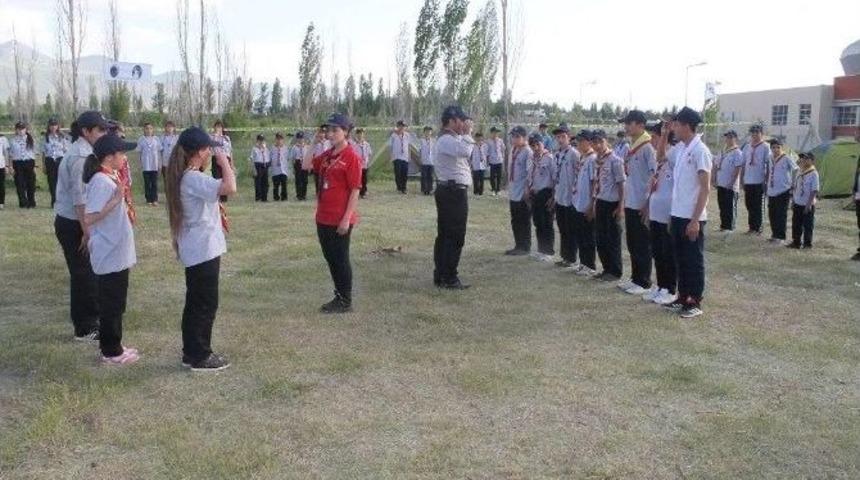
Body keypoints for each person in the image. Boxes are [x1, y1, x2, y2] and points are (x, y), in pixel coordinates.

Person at [164, 126, 237, 371]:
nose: (210, 153)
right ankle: (200, 355)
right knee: (204, 303)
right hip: (202, 249)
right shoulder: (193, 178)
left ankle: (191, 352)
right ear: (201, 152)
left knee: (196, 302)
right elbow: (230, 187)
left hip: (198, 247)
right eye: (208, 148)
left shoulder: (187, 175)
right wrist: (224, 160)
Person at [82, 133, 139, 365]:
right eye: (122, 153)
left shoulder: (110, 177)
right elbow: (90, 217)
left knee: (117, 302)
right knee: (111, 303)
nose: (125, 157)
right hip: (109, 251)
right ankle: (110, 351)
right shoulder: (100, 181)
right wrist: (115, 201)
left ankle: (115, 343)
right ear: (109, 156)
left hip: (117, 251)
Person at [54, 111, 109, 341]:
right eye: (100, 130)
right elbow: (80, 201)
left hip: (80, 221)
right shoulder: (79, 158)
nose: (104, 134)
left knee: (89, 272)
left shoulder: (88, 152)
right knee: (82, 274)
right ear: (86, 131)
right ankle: (85, 327)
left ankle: (93, 318)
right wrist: (87, 232)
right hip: (74, 223)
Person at [310, 113, 363, 312]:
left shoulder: (351, 157)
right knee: (331, 258)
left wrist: (346, 219)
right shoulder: (327, 155)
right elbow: (307, 165)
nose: (330, 134)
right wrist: (314, 143)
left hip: (340, 218)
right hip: (323, 216)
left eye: (335, 130)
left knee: (340, 259)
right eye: (328, 130)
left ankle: (345, 300)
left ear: (346, 132)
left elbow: (355, 189)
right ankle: (339, 295)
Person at [666, 107, 712, 319]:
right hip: (678, 212)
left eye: (676, 124)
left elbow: (705, 187)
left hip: (692, 216)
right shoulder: (683, 148)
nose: (673, 128)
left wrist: (695, 220)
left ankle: (694, 300)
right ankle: (682, 296)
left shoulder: (700, 150)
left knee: (693, 259)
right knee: (680, 258)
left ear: (686, 126)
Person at [433, 106, 475, 289]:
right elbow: (465, 151)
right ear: (452, 120)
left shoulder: (451, 139)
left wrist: (464, 135)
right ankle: (449, 277)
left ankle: (442, 274)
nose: (464, 124)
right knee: (454, 235)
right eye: (461, 120)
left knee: (446, 235)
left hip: (450, 190)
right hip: (452, 192)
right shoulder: (446, 140)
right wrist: (468, 133)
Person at [617, 110, 657, 295]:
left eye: (629, 123)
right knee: (632, 242)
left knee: (642, 243)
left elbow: (653, 176)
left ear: (640, 125)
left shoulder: (648, 147)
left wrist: (648, 202)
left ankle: (644, 281)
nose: (626, 126)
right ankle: (635, 277)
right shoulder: (631, 147)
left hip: (642, 203)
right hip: (631, 201)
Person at [642, 121, 679, 306]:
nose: (652, 142)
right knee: (657, 251)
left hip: (668, 213)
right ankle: (661, 285)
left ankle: (670, 289)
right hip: (656, 212)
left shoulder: (673, 156)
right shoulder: (659, 161)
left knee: (668, 253)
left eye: (655, 138)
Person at [591, 129, 626, 282]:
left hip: (612, 203)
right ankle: (606, 268)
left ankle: (615, 271)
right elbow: (595, 182)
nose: (598, 145)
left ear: (607, 141)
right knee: (601, 237)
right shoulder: (596, 160)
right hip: (600, 201)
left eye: (601, 142)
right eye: (595, 142)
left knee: (613, 238)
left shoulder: (615, 160)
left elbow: (621, 184)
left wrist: (620, 206)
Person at [572, 129, 598, 277]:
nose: (579, 143)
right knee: (581, 235)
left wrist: (591, 205)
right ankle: (583, 262)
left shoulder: (593, 159)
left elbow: (594, 182)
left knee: (588, 236)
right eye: (578, 140)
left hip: (587, 203)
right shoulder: (583, 158)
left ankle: (590, 265)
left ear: (589, 142)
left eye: (582, 141)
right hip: (578, 202)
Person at [552, 124, 579, 268]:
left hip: (570, 198)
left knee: (570, 229)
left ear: (569, 137)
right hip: (559, 196)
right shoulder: (557, 154)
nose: (560, 140)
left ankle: (572, 258)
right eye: (558, 137)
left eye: (563, 137)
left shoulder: (574, 154)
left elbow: (577, 174)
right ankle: (565, 256)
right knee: (562, 228)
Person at [527, 133, 557, 261]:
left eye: (537, 144)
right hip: (535, 193)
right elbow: (530, 176)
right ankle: (541, 249)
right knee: (538, 222)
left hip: (546, 193)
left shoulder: (549, 158)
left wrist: (553, 197)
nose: (535, 147)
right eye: (532, 145)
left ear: (542, 143)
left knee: (547, 223)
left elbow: (555, 178)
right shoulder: (533, 158)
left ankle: (549, 251)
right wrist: (529, 190)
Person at [505, 126, 533, 255]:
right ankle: (518, 244)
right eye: (513, 136)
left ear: (524, 137)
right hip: (513, 190)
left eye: (517, 137)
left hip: (522, 191)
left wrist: (527, 189)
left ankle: (525, 246)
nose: (514, 139)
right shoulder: (513, 150)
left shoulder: (528, 151)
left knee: (524, 219)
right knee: (515, 219)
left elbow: (529, 172)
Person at [765, 138, 797, 245]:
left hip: (783, 190)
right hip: (772, 190)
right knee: (772, 213)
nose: (776, 149)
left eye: (778, 147)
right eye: (773, 147)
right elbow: (769, 171)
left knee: (781, 214)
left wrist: (793, 184)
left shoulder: (786, 158)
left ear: (781, 148)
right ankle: (774, 235)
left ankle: (781, 236)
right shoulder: (770, 158)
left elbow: (795, 169)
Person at [742, 124, 770, 235]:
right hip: (748, 180)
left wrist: (766, 180)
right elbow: (744, 163)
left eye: (757, 132)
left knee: (757, 205)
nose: (754, 134)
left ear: (761, 134)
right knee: (749, 204)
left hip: (759, 180)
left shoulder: (765, 146)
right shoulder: (747, 147)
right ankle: (751, 227)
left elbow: (768, 164)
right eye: (752, 132)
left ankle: (758, 227)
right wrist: (742, 179)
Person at [713, 130, 743, 231]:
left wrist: (732, 182)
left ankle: (730, 227)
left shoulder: (737, 152)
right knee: (722, 206)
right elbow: (716, 165)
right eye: (727, 137)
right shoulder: (722, 151)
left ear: (735, 138)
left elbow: (738, 168)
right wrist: (714, 178)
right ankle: (723, 225)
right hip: (721, 183)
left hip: (731, 185)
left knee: (730, 207)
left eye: (731, 137)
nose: (728, 139)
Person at [788, 152, 819, 249]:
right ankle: (796, 242)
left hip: (807, 203)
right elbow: (795, 187)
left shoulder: (813, 173)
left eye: (807, 158)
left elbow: (814, 190)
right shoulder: (799, 171)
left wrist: (808, 205)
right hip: (798, 201)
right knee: (796, 223)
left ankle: (807, 244)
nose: (804, 160)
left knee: (808, 225)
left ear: (812, 161)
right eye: (803, 158)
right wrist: (793, 201)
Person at [9, 121, 38, 209]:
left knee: (31, 184)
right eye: (19, 129)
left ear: (26, 129)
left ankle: (31, 201)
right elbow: (10, 155)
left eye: (23, 129)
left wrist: (35, 167)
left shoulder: (31, 139)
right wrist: (10, 166)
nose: (21, 131)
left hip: (29, 162)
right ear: (16, 130)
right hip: (18, 163)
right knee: (19, 183)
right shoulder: (12, 140)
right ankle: (23, 202)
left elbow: (35, 153)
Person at [43, 118, 68, 208]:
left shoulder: (62, 137)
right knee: (51, 182)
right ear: (49, 126)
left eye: (55, 125)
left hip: (60, 160)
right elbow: (44, 152)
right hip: (50, 160)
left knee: (61, 181)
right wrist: (44, 165)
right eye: (51, 125)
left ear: (58, 126)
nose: (53, 127)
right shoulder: (46, 137)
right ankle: (54, 201)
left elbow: (66, 151)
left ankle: (61, 201)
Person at [136, 122, 161, 206]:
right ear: (144, 129)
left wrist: (159, 164)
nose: (148, 130)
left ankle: (155, 199)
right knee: (147, 183)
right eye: (147, 128)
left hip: (154, 165)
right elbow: (139, 153)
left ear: (153, 129)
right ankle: (148, 199)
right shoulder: (141, 139)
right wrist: (139, 164)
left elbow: (159, 152)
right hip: (146, 165)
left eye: (150, 128)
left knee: (154, 183)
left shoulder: (156, 139)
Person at [210, 120, 234, 203]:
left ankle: (224, 197)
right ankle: (218, 196)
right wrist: (216, 135)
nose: (218, 128)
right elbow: (211, 147)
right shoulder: (212, 137)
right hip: (216, 158)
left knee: (225, 177)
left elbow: (230, 151)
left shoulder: (226, 138)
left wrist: (232, 164)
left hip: (226, 158)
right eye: (217, 126)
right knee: (217, 177)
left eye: (220, 127)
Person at [390, 120, 412, 194]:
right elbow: (390, 146)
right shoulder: (393, 135)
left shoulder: (407, 135)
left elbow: (408, 146)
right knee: (398, 173)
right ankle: (399, 187)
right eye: (400, 126)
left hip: (405, 156)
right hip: (397, 156)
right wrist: (391, 156)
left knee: (404, 173)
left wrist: (409, 155)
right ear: (398, 126)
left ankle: (404, 187)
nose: (402, 128)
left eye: (403, 126)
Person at [309, 126, 331, 197]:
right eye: (320, 133)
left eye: (323, 133)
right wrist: (311, 164)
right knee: (318, 179)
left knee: (326, 179)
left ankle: (326, 193)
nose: (322, 135)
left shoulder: (328, 142)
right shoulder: (315, 143)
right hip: (317, 163)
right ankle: (318, 193)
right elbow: (312, 154)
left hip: (326, 163)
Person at [270, 133, 290, 201]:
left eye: (280, 139)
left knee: (284, 184)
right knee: (276, 185)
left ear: (283, 140)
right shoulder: (272, 148)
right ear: (275, 139)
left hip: (283, 169)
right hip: (275, 170)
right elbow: (270, 158)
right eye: (277, 139)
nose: (279, 141)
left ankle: (284, 197)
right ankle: (276, 197)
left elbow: (288, 158)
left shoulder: (285, 148)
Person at [250, 134, 270, 202]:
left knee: (265, 183)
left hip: (265, 165)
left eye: (263, 140)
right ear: (257, 141)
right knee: (258, 182)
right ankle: (258, 197)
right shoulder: (254, 149)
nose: (261, 142)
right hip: (258, 165)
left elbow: (268, 157)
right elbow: (251, 159)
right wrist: (253, 169)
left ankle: (264, 197)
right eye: (260, 140)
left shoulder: (266, 149)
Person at [291, 132, 310, 201]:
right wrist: (293, 167)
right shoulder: (294, 147)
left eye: (301, 138)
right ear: (297, 139)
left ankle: (304, 195)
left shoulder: (307, 147)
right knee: (298, 180)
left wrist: (309, 165)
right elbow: (293, 158)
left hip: (305, 162)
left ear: (304, 139)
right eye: (299, 138)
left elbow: (309, 156)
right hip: (298, 163)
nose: (300, 140)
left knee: (305, 180)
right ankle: (299, 195)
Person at [354, 129, 372, 199]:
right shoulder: (354, 145)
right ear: (356, 135)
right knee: (359, 179)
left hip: (365, 164)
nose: (360, 135)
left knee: (364, 179)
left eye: (361, 134)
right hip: (357, 165)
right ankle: (358, 191)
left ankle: (363, 192)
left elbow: (369, 153)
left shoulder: (367, 144)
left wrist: (367, 160)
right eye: (358, 134)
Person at [487, 126, 505, 196]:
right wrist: (487, 160)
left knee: (499, 176)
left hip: (499, 160)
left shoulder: (500, 140)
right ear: (491, 133)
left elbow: (503, 149)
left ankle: (498, 190)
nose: (496, 134)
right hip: (492, 161)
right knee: (492, 176)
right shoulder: (488, 141)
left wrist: (502, 156)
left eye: (497, 133)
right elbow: (487, 152)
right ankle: (493, 190)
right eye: (494, 132)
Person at [419, 126, 436, 195]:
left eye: (429, 131)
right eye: (426, 131)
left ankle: (430, 189)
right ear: (424, 132)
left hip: (431, 161)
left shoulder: (433, 141)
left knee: (430, 176)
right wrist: (419, 159)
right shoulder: (421, 141)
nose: (428, 133)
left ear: (431, 132)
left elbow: (435, 151)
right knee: (424, 176)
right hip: (424, 161)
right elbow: (419, 151)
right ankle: (424, 189)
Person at [0, 132, 8, 209]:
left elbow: (5, 153)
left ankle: (1, 202)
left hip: (1, 165)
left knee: (1, 185)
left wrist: (6, 166)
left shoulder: (3, 138)